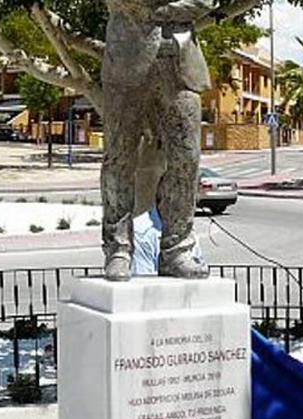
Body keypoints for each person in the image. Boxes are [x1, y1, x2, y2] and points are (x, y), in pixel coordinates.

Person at [101, 0, 219, 281]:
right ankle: (118, 250)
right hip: (126, 60)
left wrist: (156, 10)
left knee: (187, 159)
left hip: (179, 63)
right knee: (119, 157)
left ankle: (177, 250)